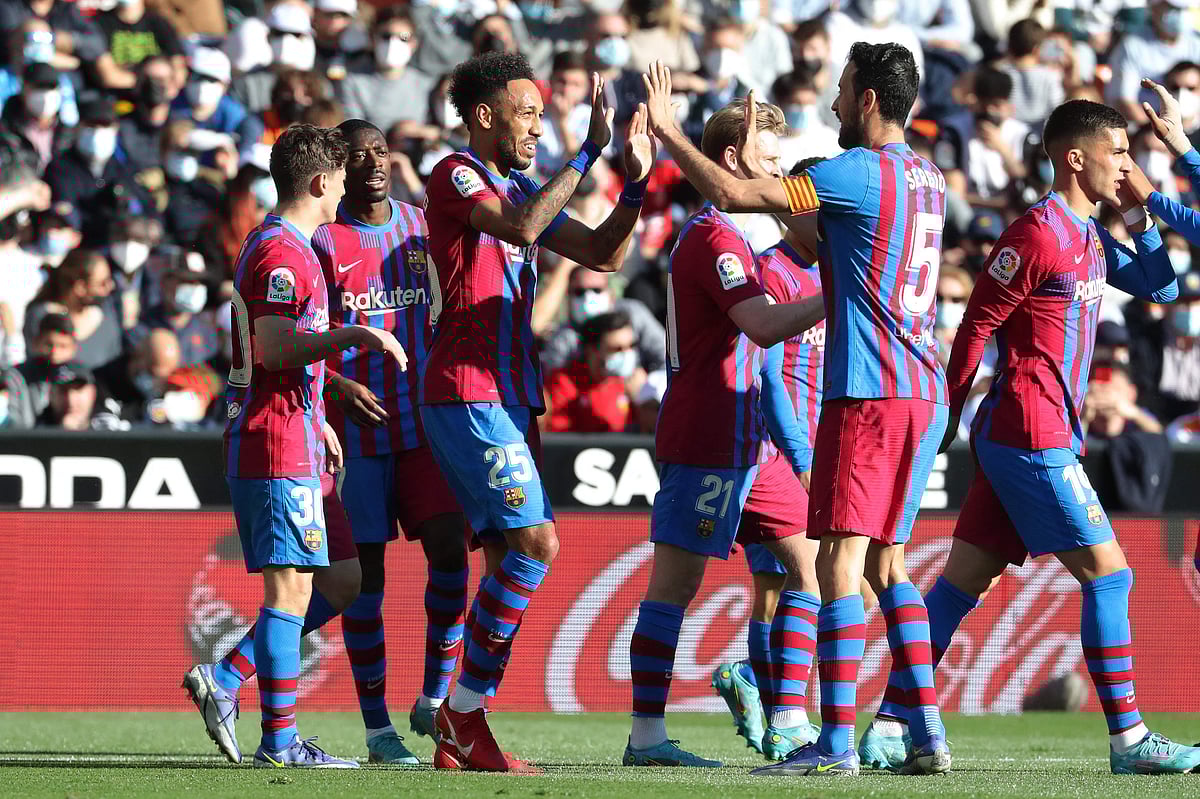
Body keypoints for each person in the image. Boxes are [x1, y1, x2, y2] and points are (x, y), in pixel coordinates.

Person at [639, 42, 952, 775]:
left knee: (837, 564)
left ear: (868, 99)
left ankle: (835, 741)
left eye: (844, 92)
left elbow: (739, 200)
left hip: (867, 391)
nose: (838, 105)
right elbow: (810, 237)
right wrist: (762, 176)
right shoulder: (929, 177)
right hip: (923, 390)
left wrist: (670, 131)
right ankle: (924, 728)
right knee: (888, 563)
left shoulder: (852, 172)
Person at [891, 97, 1200, 775]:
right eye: (1118, 152)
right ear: (1075, 157)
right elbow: (976, 324)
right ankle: (1129, 738)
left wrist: (1139, 215)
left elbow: (1164, 285)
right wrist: (945, 413)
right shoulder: (1037, 232)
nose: (1130, 163)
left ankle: (890, 721)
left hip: (1031, 430)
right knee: (1111, 575)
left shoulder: (1088, 234)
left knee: (959, 584)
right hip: (1029, 428)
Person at [418, 50, 652, 773]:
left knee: (504, 562)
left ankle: (466, 726)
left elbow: (601, 256)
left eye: (542, 117)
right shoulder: (455, 172)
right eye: (526, 114)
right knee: (538, 545)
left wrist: (635, 190)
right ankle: (456, 711)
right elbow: (522, 228)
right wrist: (587, 150)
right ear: (484, 115)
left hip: (510, 396)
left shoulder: (519, 185)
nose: (536, 127)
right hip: (468, 390)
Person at [181, 123, 406, 769]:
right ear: (317, 181)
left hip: (300, 432)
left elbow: (273, 352)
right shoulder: (282, 252)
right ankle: (279, 740)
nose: (345, 189)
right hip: (274, 441)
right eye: (338, 178)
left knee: (342, 579)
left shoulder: (292, 246)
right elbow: (277, 344)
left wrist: (321, 405)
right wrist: (354, 338)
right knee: (290, 592)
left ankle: (227, 677)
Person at [622, 97, 824, 769]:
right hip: (708, 433)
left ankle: (790, 719)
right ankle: (646, 737)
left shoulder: (744, 239)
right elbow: (763, 328)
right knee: (674, 587)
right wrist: (849, 290)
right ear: (732, 163)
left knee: (812, 569)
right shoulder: (714, 236)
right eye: (768, 161)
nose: (777, 177)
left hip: (752, 440)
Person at [312, 118, 471, 763]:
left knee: (451, 554)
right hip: (359, 432)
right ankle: (377, 729)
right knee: (366, 580)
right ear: (340, 168)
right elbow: (293, 331)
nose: (373, 162)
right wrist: (333, 383)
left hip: (424, 423)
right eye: (358, 156)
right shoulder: (323, 241)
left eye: (380, 150)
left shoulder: (421, 225)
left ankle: (433, 698)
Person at [710, 158, 828, 763]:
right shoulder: (771, 273)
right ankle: (786, 708)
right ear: (796, 209)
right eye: (823, 206)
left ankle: (766, 690)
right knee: (804, 577)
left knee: (778, 584)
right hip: (781, 449)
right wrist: (801, 456)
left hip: (819, 447)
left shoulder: (836, 271)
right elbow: (772, 375)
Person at [1082, 361, 1172, 514]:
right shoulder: (1080, 418)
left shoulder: (1139, 419)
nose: (1106, 394)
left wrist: (1132, 412)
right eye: (1100, 388)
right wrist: (1083, 417)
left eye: (1115, 389)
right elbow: (1071, 449)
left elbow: (1160, 438)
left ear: (1131, 392)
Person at [542, 265, 666, 374]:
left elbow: (665, 355)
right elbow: (552, 382)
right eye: (579, 292)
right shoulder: (564, 339)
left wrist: (649, 387)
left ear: (611, 293)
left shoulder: (633, 313)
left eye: (597, 290)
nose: (588, 298)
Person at [336, 8, 434, 135]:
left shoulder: (426, 84)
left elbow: (435, 131)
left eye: (404, 37)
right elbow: (353, 133)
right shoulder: (352, 82)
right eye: (386, 36)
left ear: (414, 43)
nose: (393, 43)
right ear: (372, 39)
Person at [544, 310, 644, 433]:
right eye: (617, 349)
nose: (627, 354)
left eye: (631, 346)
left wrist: (642, 402)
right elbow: (560, 438)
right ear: (591, 350)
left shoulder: (635, 382)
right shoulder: (564, 382)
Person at [24, 247, 122, 371]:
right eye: (102, 283)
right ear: (80, 287)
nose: (110, 286)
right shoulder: (41, 316)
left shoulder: (106, 318)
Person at [1105, 0, 1200, 125]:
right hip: (1146, 131)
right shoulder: (1132, 46)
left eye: (1184, 9)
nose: (1181, 14)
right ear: (1154, 7)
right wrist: (1160, 131)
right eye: (1172, 8)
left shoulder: (1195, 43)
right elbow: (1124, 101)